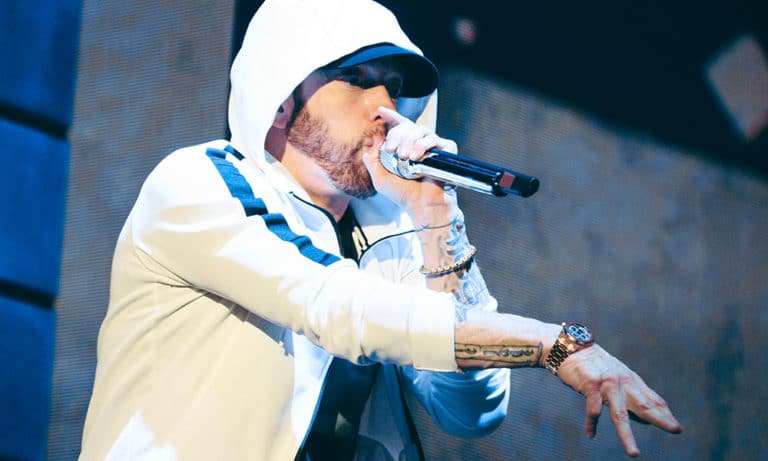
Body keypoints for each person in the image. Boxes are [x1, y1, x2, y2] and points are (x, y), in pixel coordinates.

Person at [79, 0, 682, 459]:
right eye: (358, 79)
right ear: (282, 96)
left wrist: (436, 216)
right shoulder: (199, 184)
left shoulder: (389, 227)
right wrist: (552, 344)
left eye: (393, 86)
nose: (384, 105)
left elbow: (472, 411)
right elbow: (339, 309)